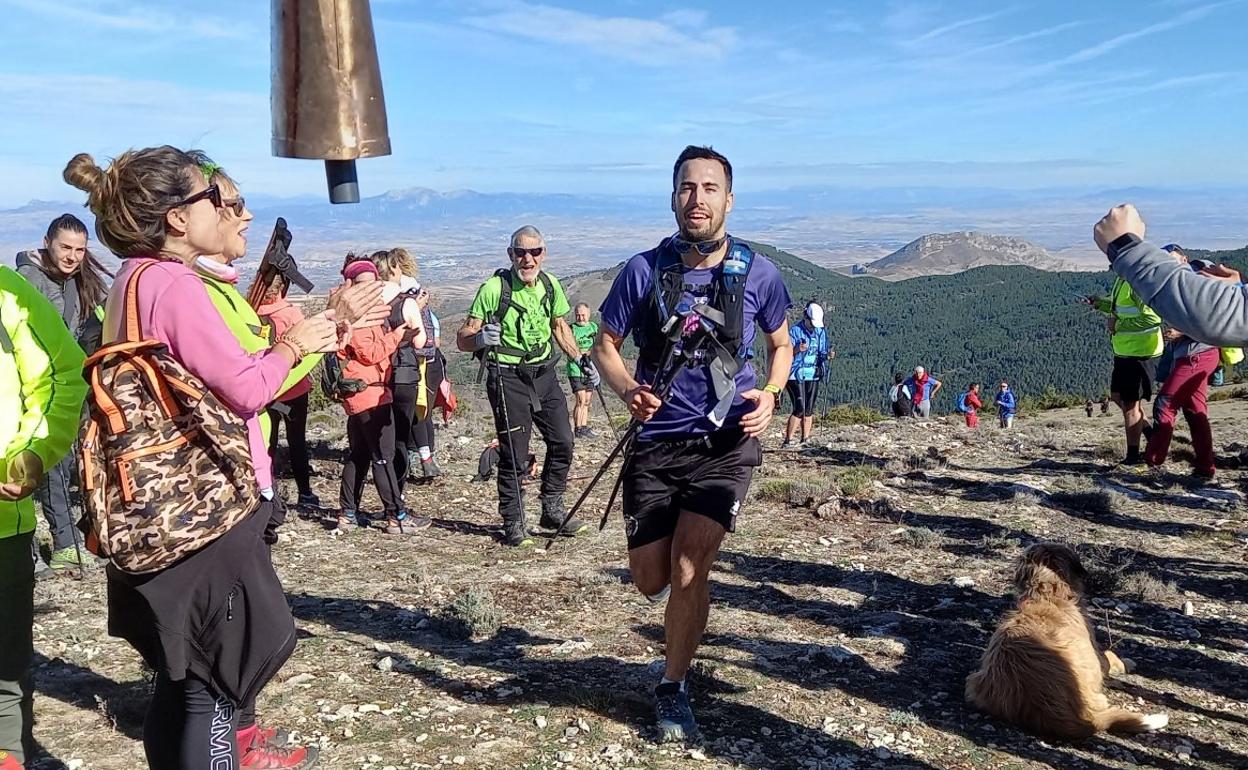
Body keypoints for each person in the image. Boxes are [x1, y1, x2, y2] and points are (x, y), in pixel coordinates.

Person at [66, 147, 347, 770]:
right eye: (207, 199)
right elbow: (245, 389)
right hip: (197, 511)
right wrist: (297, 342)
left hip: (151, 508)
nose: (220, 209)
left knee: (180, 681)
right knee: (210, 687)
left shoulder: (132, 281)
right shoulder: (172, 284)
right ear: (175, 217)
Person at [594, 146, 793, 742]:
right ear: (673, 196)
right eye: (687, 187)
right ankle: (678, 643)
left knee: (688, 568)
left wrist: (773, 393)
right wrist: (629, 386)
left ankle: (673, 685)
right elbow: (605, 344)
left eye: (710, 188)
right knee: (649, 578)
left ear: (729, 199)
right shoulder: (643, 270)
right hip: (655, 444)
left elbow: (780, 343)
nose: (697, 198)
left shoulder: (759, 272)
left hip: (725, 444)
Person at [0, 264, 87, 770]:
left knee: (6, 662)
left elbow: (60, 372)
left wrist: (32, 452)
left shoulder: (8, 296)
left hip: (3, 525)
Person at [456, 225, 587, 547]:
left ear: (544, 253)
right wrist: (479, 339)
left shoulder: (550, 284)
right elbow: (462, 339)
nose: (527, 259)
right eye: (520, 252)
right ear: (510, 254)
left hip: (544, 374)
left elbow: (559, 326)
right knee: (515, 454)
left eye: (535, 252)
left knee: (564, 442)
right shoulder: (493, 289)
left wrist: (581, 361)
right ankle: (514, 522)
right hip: (507, 377)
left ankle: (552, 509)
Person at [14, 214, 110, 573]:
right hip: (33, 384)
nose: (72, 256)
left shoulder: (78, 281)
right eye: (65, 247)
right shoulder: (30, 280)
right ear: (47, 242)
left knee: (66, 461)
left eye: (80, 250)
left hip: (70, 382)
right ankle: (63, 545)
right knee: (46, 462)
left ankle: (69, 539)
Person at [336, 255, 429, 535]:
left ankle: (348, 513)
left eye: (373, 281)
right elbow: (371, 353)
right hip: (370, 393)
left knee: (360, 453)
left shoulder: (359, 313)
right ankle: (396, 516)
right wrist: (398, 335)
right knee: (383, 455)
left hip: (363, 392)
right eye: (365, 282)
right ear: (352, 285)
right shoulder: (357, 319)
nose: (371, 288)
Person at [1140, 245, 1225, 479]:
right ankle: (1205, 467)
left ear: (1184, 258)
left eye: (1173, 260)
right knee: (1194, 411)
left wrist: (1181, 333)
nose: (1170, 265)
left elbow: (1208, 321)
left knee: (1165, 403)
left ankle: (1153, 462)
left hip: (1197, 354)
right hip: (1199, 354)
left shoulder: (1195, 283)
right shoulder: (1184, 284)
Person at [1085, 247, 1164, 466]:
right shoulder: (1123, 281)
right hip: (1125, 352)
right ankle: (1150, 434)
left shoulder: (1137, 285)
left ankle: (1133, 457)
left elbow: (1153, 319)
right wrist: (1099, 303)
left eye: (1114, 264)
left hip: (1139, 354)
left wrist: (1118, 324)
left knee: (1130, 406)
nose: (1111, 268)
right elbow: (1118, 306)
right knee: (1118, 397)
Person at [371, 249, 425, 490]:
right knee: (401, 438)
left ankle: (380, 497)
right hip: (404, 373)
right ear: (394, 270)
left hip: (375, 376)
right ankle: (397, 496)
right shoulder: (406, 302)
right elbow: (420, 341)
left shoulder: (367, 302)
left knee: (381, 441)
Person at [410, 282, 446, 479]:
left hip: (418, 364)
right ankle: (428, 457)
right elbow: (437, 342)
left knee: (416, 412)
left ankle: (420, 459)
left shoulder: (411, 310)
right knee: (425, 413)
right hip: (433, 364)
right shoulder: (429, 315)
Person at [782, 301, 830, 447]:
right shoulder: (795, 331)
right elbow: (785, 351)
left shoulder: (820, 332)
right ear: (806, 317)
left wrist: (828, 355)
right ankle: (788, 440)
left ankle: (805, 439)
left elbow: (822, 351)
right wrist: (797, 349)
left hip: (813, 373)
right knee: (800, 407)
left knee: (808, 408)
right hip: (795, 373)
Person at [567, 303, 600, 438]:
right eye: (578, 315)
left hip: (590, 369)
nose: (580, 318)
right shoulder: (571, 329)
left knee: (587, 400)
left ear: (588, 313)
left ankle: (584, 426)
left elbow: (599, 344)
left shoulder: (594, 327)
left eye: (583, 315)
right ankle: (578, 428)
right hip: (576, 370)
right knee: (580, 399)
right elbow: (568, 348)